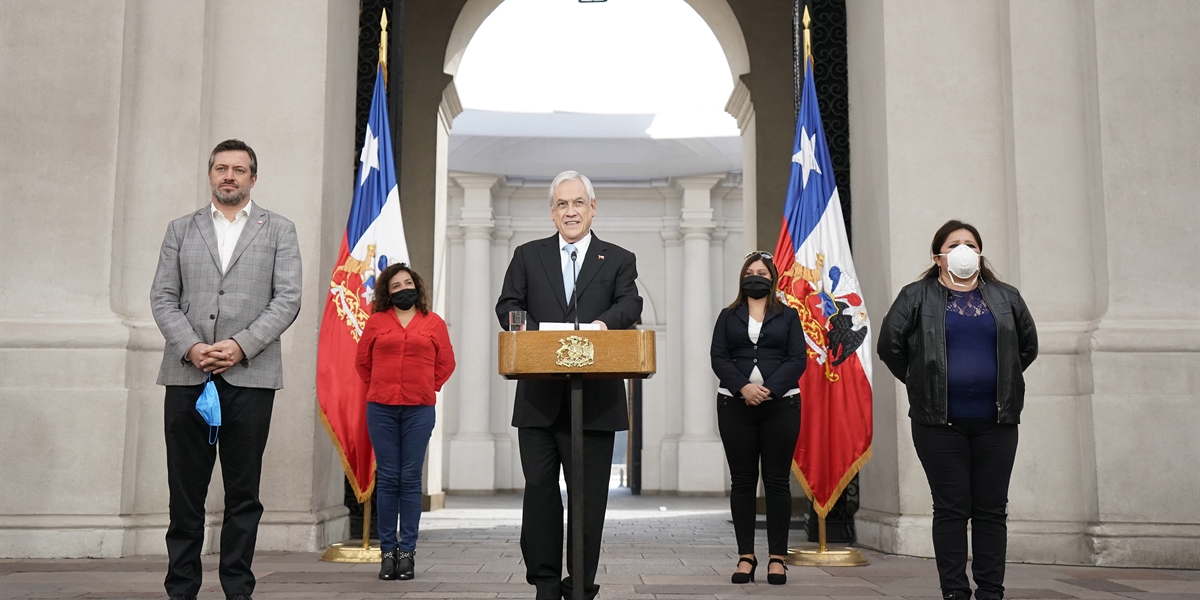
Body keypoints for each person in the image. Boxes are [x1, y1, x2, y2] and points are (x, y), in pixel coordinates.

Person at [150, 139, 302, 600]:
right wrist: (192, 347)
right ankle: (182, 589)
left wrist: (240, 346)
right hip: (186, 376)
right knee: (185, 494)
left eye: (239, 169)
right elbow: (162, 297)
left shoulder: (279, 229)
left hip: (250, 378)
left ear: (253, 178)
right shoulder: (181, 229)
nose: (229, 176)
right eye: (221, 168)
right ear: (211, 174)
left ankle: (238, 588)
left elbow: (288, 298)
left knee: (243, 495)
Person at [495, 170, 642, 600]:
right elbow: (508, 305)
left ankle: (579, 583)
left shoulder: (617, 258)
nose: (571, 211)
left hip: (595, 402)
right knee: (540, 492)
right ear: (552, 212)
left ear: (593, 208)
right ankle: (543, 582)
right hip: (539, 399)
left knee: (588, 499)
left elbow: (630, 302)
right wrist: (540, 335)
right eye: (562, 204)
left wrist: (601, 324)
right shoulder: (527, 255)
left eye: (579, 203)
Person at [876, 220, 1037, 600]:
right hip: (938, 424)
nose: (963, 250)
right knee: (950, 508)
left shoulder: (1006, 296)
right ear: (938, 256)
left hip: (996, 422)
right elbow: (889, 345)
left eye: (970, 244)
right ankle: (955, 591)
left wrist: (997, 382)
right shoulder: (916, 296)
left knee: (991, 509)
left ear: (980, 254)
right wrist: (921, 381)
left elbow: (1026, 348)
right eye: (954, 244)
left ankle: (991, 592)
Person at [710, 251, 806, 585]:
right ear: (742, 278)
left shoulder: (789, 316)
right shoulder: (727, 315)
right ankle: (746, 556)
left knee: (777, 481)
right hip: (735, 406)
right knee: (743, 481)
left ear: (772, 278)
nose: (756, 276)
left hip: (781, 405)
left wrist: (768, 389)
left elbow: (797, 359)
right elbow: (719, 357)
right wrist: (743, 388)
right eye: (750, 271)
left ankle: (778, 558)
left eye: (762, 272)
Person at [355, 263, 455, 581]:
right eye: (395, 286)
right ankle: (388, 554)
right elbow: (362, 362)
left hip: (418, 410)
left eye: (407, 283)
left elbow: (446, 362)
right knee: (387, 479)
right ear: (387, 292)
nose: (402, 289)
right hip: (381, 409)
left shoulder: (433, 323)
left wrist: (427, 385)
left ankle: (407, 554)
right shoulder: (376, 322)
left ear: (417, 287)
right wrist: (380, 386)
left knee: (410, 478)